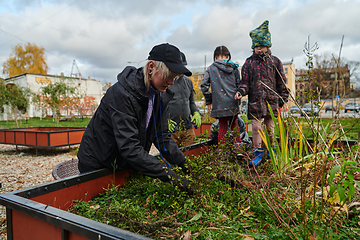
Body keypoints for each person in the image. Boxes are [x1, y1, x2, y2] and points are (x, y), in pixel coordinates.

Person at [77, 43, 193, 192]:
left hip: (123, 161)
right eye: (168, 76)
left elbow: (161, 137)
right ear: (151, 67)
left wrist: (185, 165)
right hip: (98, 162)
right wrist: (169, 176)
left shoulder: (158, 95)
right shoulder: (122, 94)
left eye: (174, 78)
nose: (171, 82)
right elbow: (129, 147)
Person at [235, 20, 289, 167]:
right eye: (256, 46)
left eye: (262, 46)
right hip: (255, 102)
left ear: (268, 45)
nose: (259, 49)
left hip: (271, 101)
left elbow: (281, 81)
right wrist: (241, 91)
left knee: (270, 128)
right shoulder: (248, 63)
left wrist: (283, 97)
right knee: (256, 128)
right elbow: (245, 82)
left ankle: (271, 151)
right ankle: (257, 152)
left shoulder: (275, 62)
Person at [201, 45, 242, 148]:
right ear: (228, 56)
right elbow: (239, 84)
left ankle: (222, 152)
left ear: (215, 57)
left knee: (222, 126)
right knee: (234, 125)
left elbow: (204, 86)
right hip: (233, 101)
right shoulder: (234, 68)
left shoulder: (211, 68)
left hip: (219, 103)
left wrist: (209, 99)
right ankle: (240, 150)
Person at [165, 52, 201, 147]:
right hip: (171, 130)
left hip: (187, 128)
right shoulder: (166, 82)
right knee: (172, 158)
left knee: (191, 155)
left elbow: (191, 102)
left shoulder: (188, 82)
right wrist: (164, 121)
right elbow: (158, 105)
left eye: (184, 65)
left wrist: (196, 113)